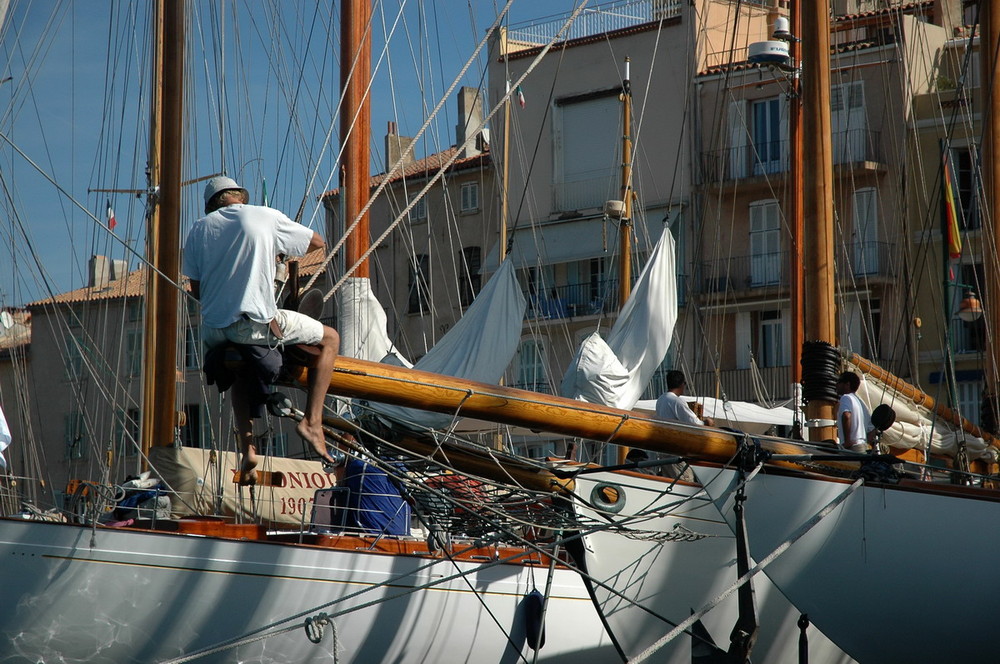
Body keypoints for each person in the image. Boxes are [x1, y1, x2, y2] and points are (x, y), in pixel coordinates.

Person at [183, 176, 339, 483]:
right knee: (330, 338)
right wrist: (274, 252)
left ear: (212, 204)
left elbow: (197, 290)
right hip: (251, 325)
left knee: (240, 365)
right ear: (239, 196)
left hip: (214, 332)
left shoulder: (198, 229)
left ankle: (248, 449)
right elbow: (317, 243)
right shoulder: (263, 216)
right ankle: (313, 422)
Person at [836, 371, 872, 452]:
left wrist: (847, 441)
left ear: (847, 384)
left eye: (839, 382)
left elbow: (846, 416)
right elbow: (872, 428)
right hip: (862, 446)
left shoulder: (846, 398)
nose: (836, 385)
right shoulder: (861, 403)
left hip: (852, 448)